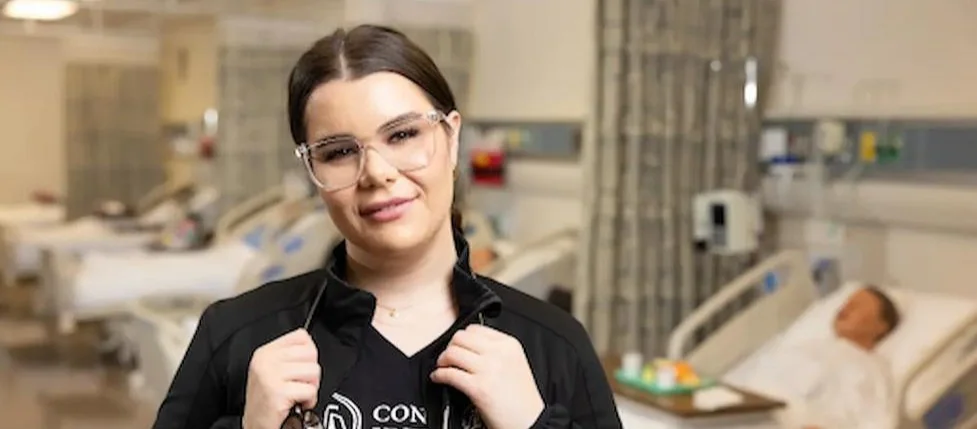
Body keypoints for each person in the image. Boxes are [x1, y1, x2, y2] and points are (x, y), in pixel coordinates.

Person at [152, 24, 621, 429]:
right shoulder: (237, 335)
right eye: (338, 152)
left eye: (402, 135)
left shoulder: (554, 345)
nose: (376, 172)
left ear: (452, 137)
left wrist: (531, 424)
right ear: (312, 171)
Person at [732, 286, 902, 429]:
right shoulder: (805, 346)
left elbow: (875, 422)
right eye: (846, 302)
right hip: (736, 411)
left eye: (858, 305)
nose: (845, 307)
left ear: (881, 326)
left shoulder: (870, 368)